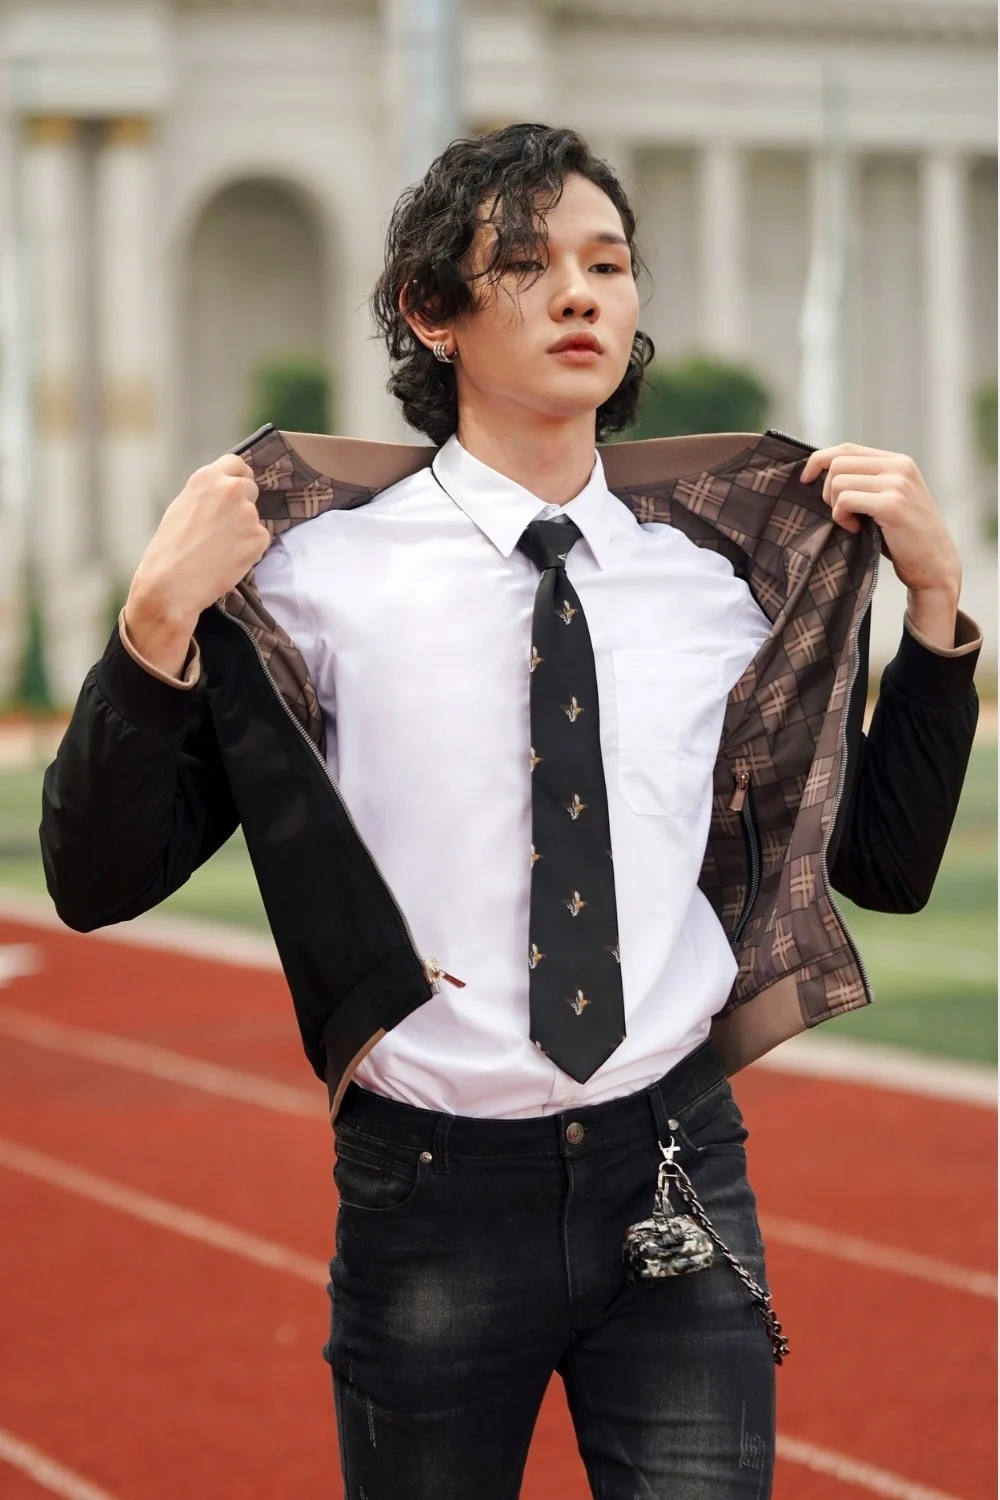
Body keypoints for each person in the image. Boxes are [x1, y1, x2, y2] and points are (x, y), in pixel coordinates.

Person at [40, 124, 981, 1499]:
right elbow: (94, 877)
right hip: (430, 1196)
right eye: (528, 265)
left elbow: (884, 869)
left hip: (676, 1167)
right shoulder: (313, 579)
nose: (581, 294)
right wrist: (150, 627)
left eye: (608, 263)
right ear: (433, 311)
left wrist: (939, 612)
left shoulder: (720, 587)